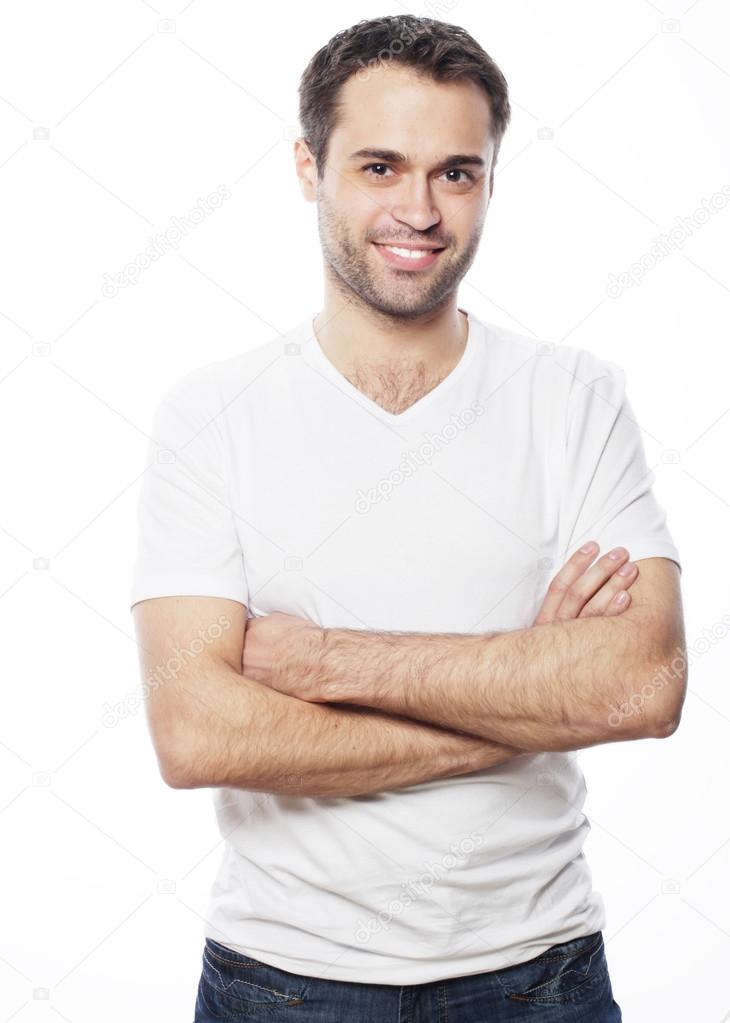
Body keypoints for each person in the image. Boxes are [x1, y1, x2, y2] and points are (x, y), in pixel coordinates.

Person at [129, 15, 686, 1021]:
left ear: (487, 182)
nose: (419, 210)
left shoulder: (573, 397)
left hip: (539, 977)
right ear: (310, 167)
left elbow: (641, 682)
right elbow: (198, 731)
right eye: (380, 167)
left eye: (456, 173)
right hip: (280, 983)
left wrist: (325, 665)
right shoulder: (210, 414)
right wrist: (526, 698)